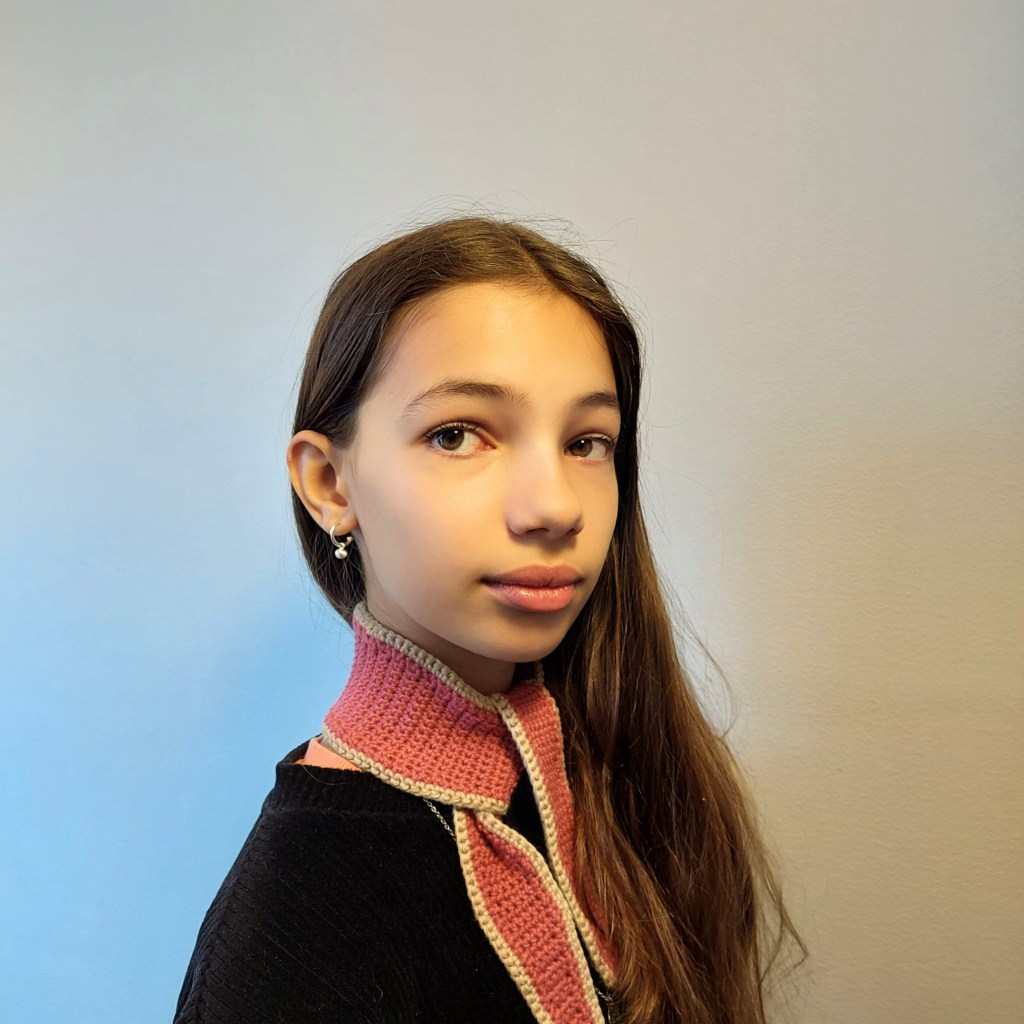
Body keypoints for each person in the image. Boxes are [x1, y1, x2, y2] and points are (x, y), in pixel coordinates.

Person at [174, 216, 803, 1024]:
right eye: (457, 435)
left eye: (587, 442)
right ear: (330, 483)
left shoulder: (628, 781)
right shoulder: (287, 937)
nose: (555, 506)